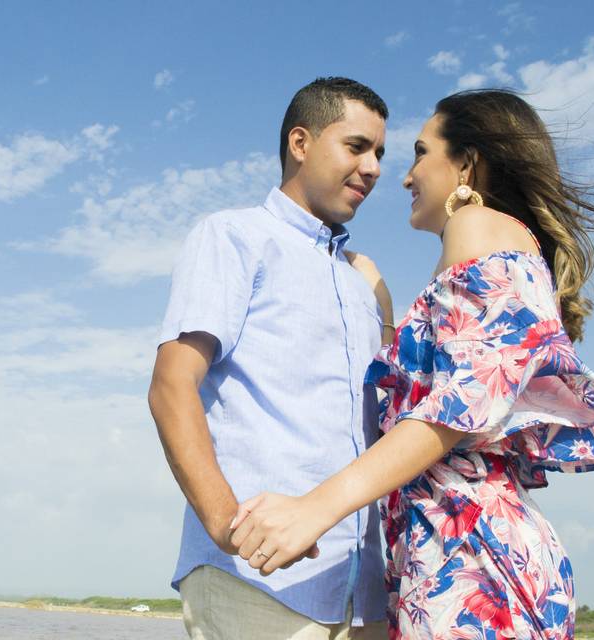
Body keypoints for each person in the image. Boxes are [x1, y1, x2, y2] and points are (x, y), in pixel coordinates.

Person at [228, 89, 594, 639]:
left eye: (419, 152)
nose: (404, 177)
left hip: (470, 556)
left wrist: (317, 507)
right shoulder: (494, 245)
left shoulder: (474, 224)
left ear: (467, 164)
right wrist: (385, 316)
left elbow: (463, 403)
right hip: (453, 547)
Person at [148, 77, 392, 639]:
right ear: (300, 144)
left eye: (379, 152)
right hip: (258, 581)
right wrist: (226, 525)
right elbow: (171, 385)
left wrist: (382, 307)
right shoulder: (233, 236)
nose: (374, 167)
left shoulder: (361, 280)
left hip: (366, 591)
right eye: (356, 147)